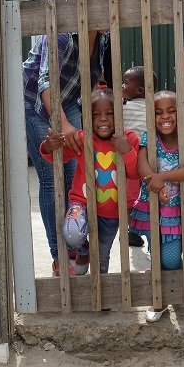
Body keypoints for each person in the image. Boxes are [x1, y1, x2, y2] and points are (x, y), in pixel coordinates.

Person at [22, 0, 125, 275]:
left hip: (69, 101)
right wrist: (63, 124)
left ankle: (77, 244)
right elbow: (45, 82)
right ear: (93, 5)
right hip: (37, 102)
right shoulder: (64, 32)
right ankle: (60, 255)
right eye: (111, 8)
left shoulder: (102, 36)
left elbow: (93, 78)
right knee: (54, 178)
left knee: (80, 170)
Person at [41, 87, 139, 276]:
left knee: (102, 257)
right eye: (96, 114)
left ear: (120, 113)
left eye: (109, 114)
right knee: (72, 235)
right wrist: (48, 145)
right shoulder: (81, 138)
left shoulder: (129, 139)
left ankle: (98, 293)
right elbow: (55, 158)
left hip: (112, 211)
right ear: (86, 116)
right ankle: (83, 251)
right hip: (82, 202)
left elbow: (135, 173)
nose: (103, 119)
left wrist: (126, 150)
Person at [130, 90, 184, 322]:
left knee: (170, 259)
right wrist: (155, 182)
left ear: (181, 114)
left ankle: (176, 281)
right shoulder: (148, 139)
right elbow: (141, 164)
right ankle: (160, 299)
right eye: (159, 112)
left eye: (171, 111)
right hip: (153, 208)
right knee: (156, 253)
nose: (165, 117)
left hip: (178, 208)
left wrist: (161, 178)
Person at [121, 65, 155, 248]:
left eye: (125, 83)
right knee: (148, 196)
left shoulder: (123, 108)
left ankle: (132, 230)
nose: (121, 86)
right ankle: (148, 229)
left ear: (140, 90)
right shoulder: (155, 107)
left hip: (130, 161)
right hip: (151, 161)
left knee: (129, 199)